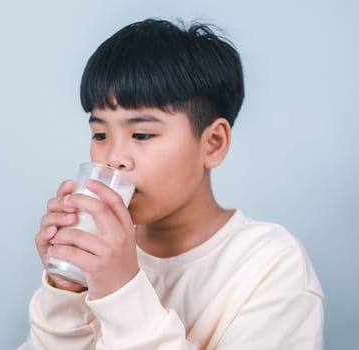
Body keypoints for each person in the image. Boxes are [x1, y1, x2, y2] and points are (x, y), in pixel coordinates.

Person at [18, 18, 324, 349]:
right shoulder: (97, 255)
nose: (114, 158)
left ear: (213, 144)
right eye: (100, 134)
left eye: (142, 134)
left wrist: (121, 292)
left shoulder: (271, 266)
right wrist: (66, 293)